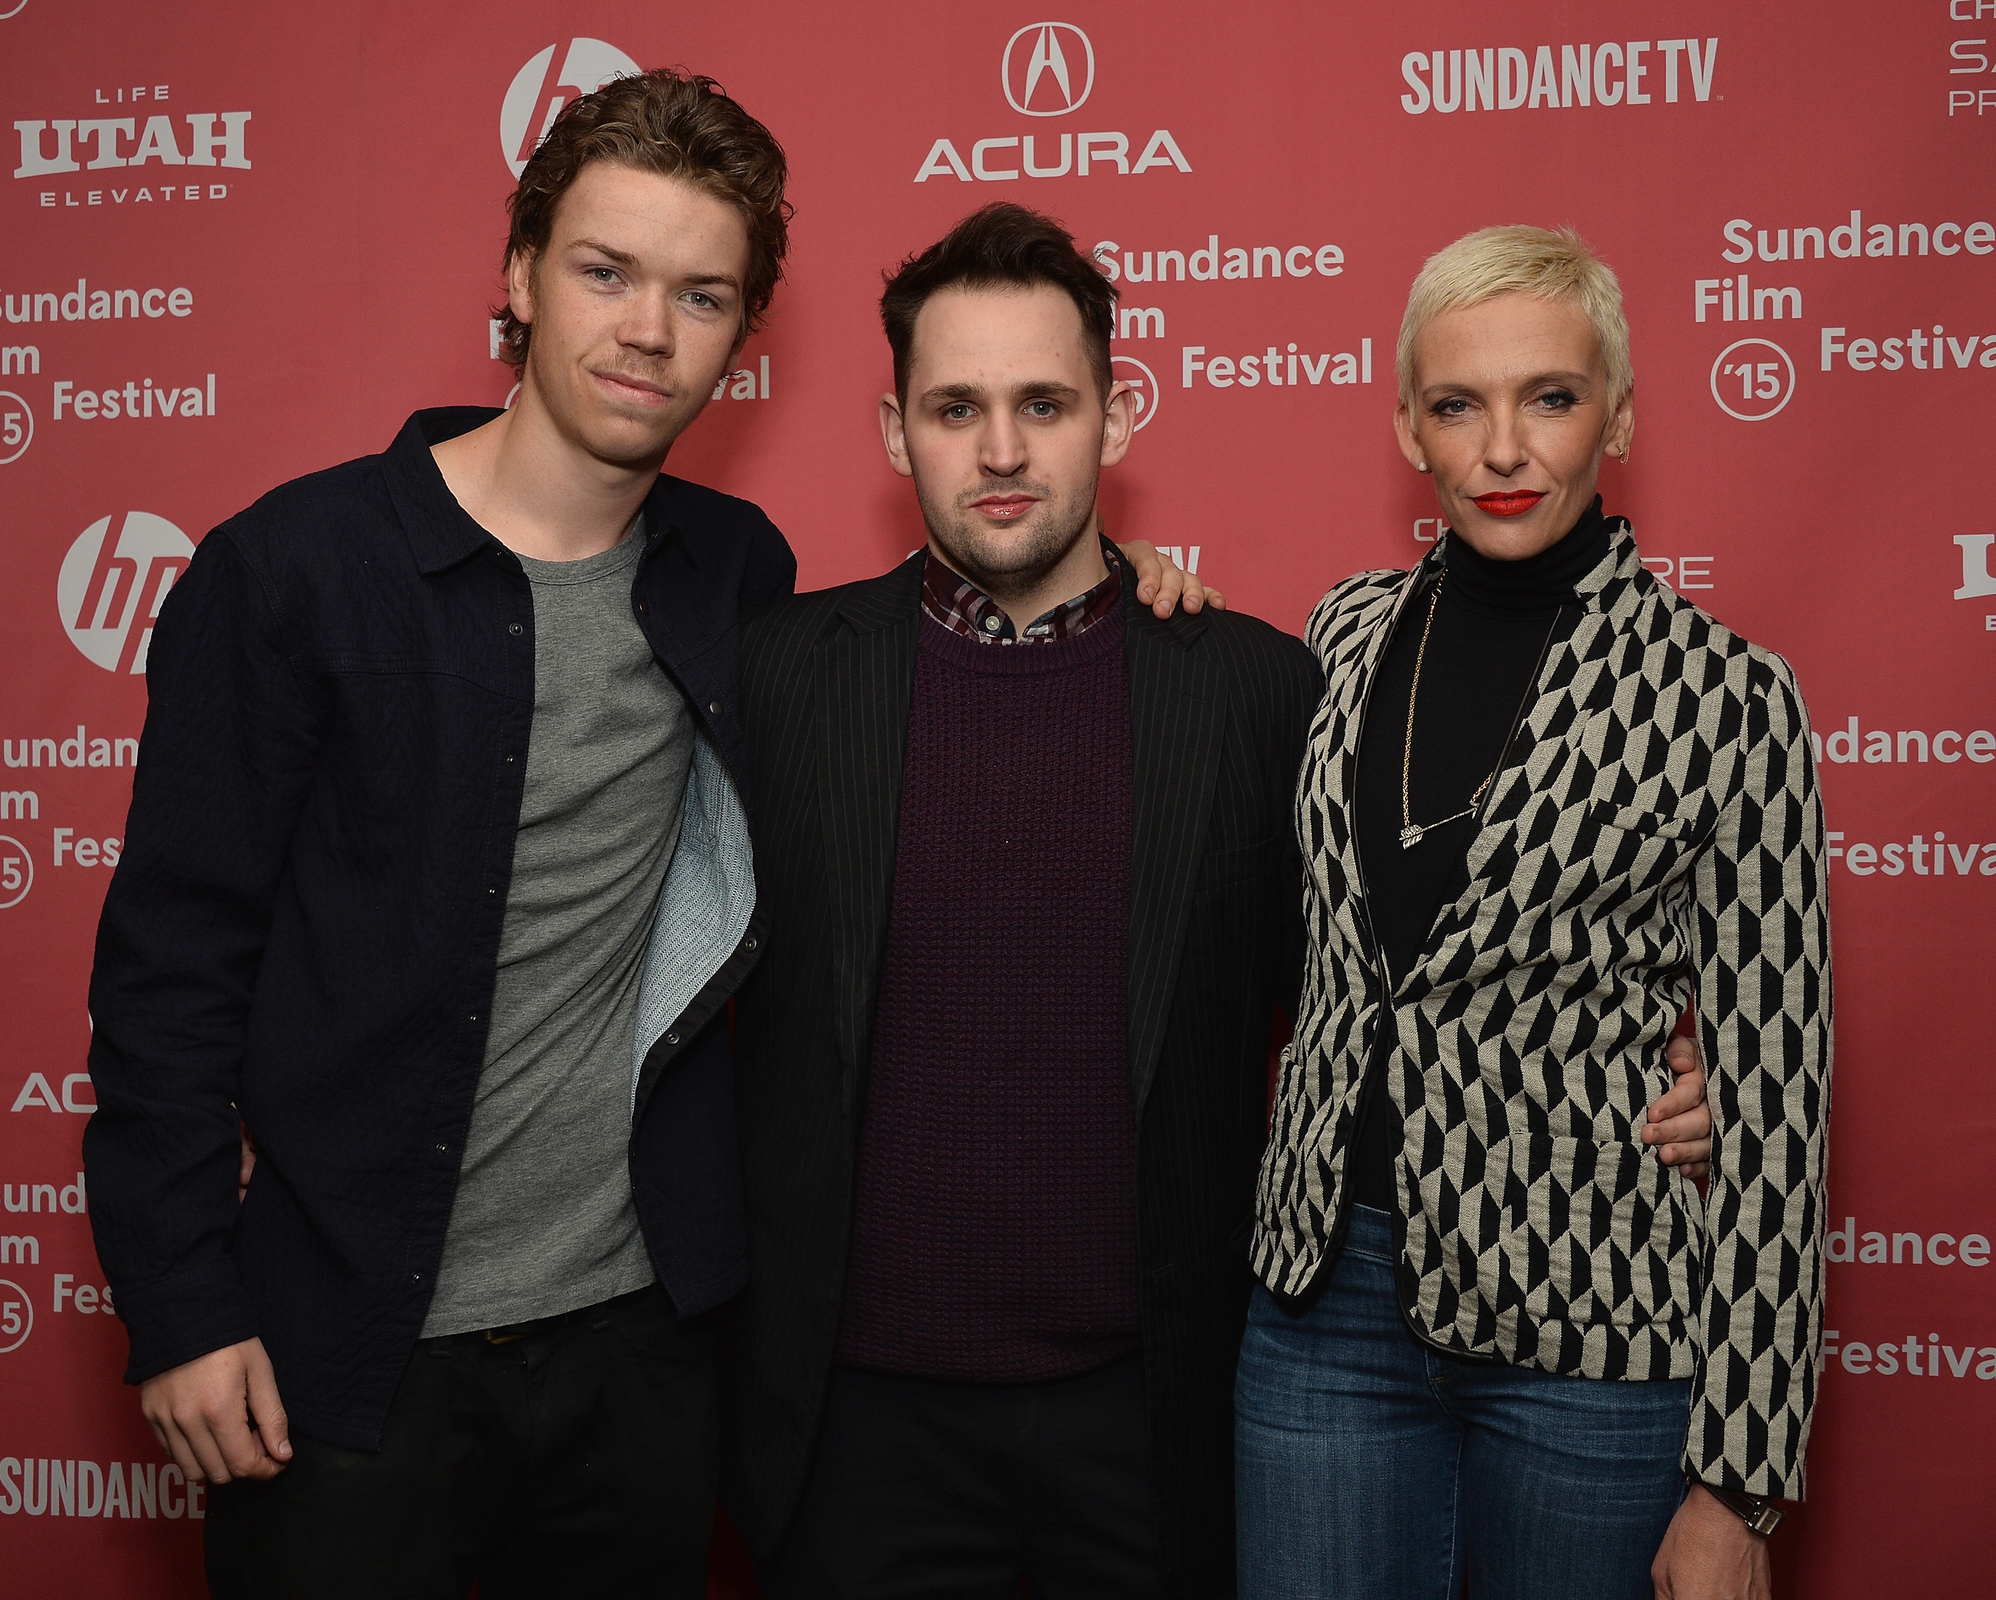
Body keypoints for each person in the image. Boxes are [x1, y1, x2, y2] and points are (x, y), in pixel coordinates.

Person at [80, 74, 1212, 1599]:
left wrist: (1117, 586)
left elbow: (982, 597)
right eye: (606, 273)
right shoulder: (293, 573)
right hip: (342, 1357)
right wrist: (181, 1303)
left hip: (651, 1360)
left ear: (744, 338)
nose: (646, 332)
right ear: (519, 274)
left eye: (701, 295)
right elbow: (169, 969)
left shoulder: (735, 580)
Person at [721, 205, 1716, 1599]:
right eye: (956, 408)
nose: (1001, 451)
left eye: (1045, 403)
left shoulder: (1254, 689)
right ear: (895, 433)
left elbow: (1395, 990)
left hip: (1152, 1422)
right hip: (848, 1431)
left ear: (1118, 416)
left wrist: (1680, 1064)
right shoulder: (776, 676)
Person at [1237, 225, 1833, 1600]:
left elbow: (1779, 1110)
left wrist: (1740, 1482)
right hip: (1326, 1312)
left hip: (1597, 1343)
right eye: (1460, 403)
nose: (1505, 447)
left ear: (1617, 412)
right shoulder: (1341, 632)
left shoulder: (1727, 700)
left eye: (1550, 398)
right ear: (1408, 427)